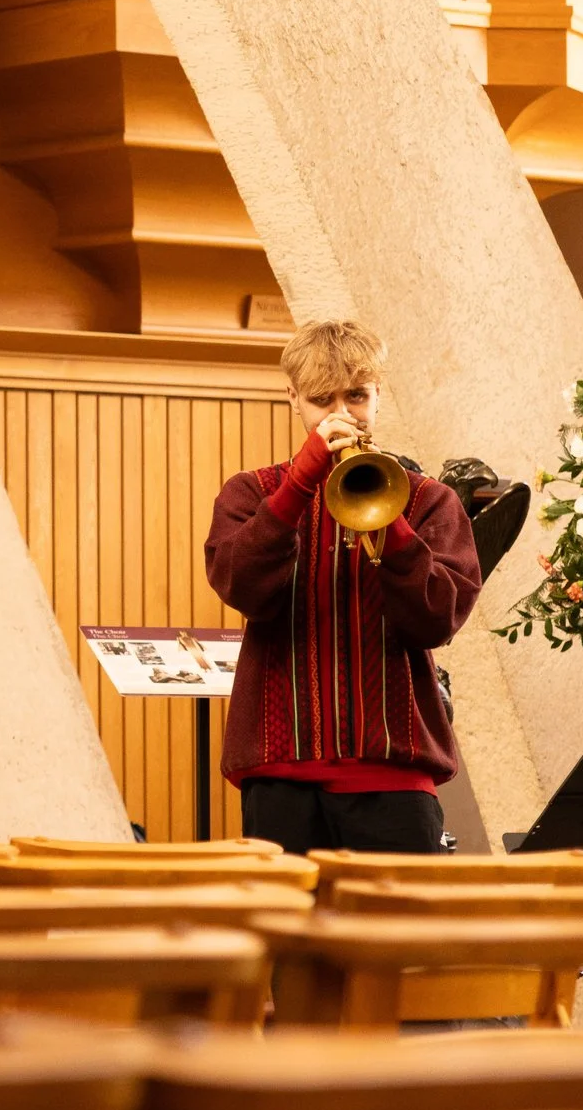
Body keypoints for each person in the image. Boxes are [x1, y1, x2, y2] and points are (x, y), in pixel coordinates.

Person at [204, 320, 481, 856]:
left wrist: (389, 520)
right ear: (293, 398)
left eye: (357, 395)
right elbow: (241, 586)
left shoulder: (430, 500)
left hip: (395, 773)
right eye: (320, 399)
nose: (341, 413)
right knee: (287, 938)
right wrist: (299, 485)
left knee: (396, 938)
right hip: (280, 769)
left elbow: (437, 618)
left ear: (378, 393)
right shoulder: (249, 493)